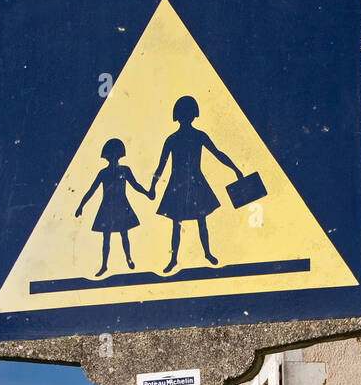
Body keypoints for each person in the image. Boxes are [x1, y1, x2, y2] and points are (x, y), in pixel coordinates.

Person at [149, 96, 242, 273]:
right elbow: (160, 166)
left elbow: (218, 153)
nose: (187, 117)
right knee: (177, 224)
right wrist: (153, 186)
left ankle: (207, 253)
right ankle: (174, 259)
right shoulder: (172, 139)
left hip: (195, 183)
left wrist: (235, 169)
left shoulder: (198, 136)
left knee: (200, 221)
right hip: (178, 185)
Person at [75, 138, 150, 276]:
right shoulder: (103, 173)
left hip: (121, 206)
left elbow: (135, 185)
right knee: (106, 239)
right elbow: (92, 190)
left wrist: (147, 193)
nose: (114, 158)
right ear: (108, 156)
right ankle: (104, 265)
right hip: (107, 208)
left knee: (124, 235)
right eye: (112, 155)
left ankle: (128, 258)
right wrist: (81, 206)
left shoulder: (125, 170)